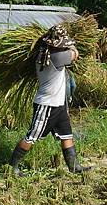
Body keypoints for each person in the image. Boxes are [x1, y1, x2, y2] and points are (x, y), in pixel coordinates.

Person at [9, 25, 90, 176]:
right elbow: (75, 54)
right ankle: (12, 167)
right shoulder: (56, 57)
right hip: (47, 105)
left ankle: (74, 166)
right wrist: (72, 45)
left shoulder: (43, 54)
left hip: (58, 104)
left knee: (66, 135)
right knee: (32, 136)